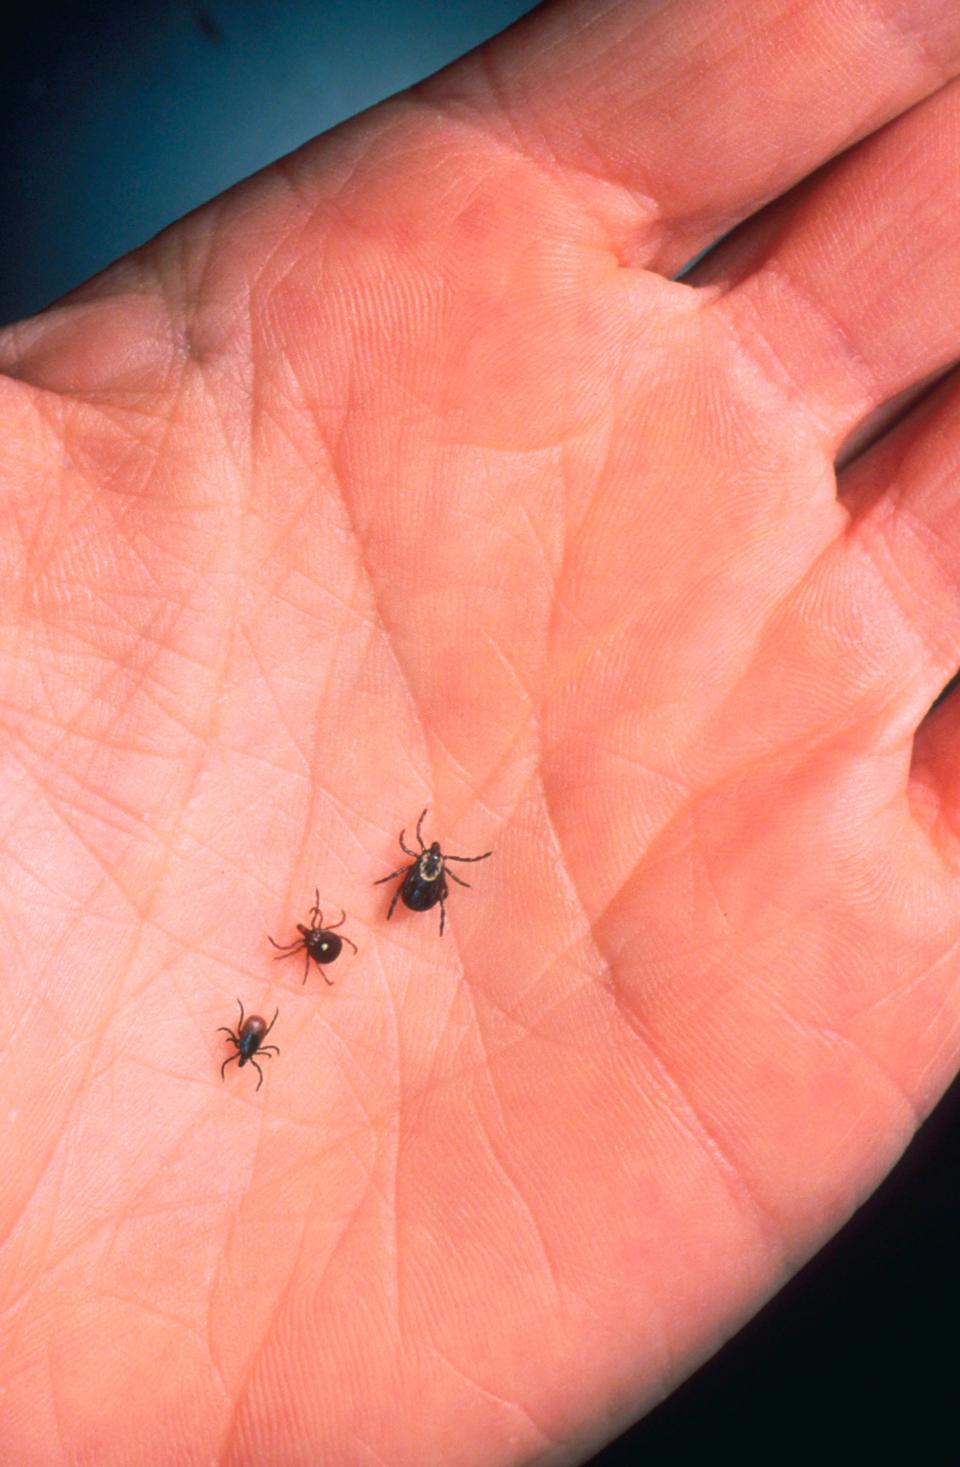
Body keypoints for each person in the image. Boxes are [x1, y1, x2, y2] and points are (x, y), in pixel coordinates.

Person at [1, 0, 958, 1461]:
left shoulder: (380, 903)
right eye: (416, 884)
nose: (409, 887)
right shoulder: (388, 907)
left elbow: (381, 904)